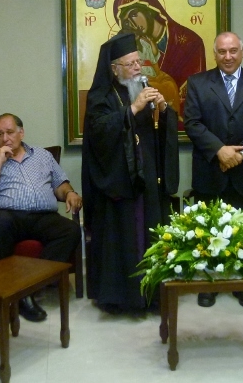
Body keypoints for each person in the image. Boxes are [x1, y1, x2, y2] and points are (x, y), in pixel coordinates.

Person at [82, 32, 179, 314]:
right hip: (119, 183)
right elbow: (99, 133)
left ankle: (152, 295)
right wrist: (134, 109)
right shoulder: (100, 96)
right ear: (114, 69)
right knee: (123, 238)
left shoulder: (142, 87)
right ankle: (122, 298)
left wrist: (163, 110)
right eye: (131, 63)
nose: (138, 67)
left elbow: (157, 133)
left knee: (150, 231)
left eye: (139, 62)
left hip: (146, 177)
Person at [183, 31, 243, 308]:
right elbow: (192, 123)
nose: (228, 56)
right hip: (210, 170)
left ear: (242, 52)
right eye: (222, 51)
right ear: (214, 54)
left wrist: (240, 153)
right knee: (207, 230)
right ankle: (209, 283)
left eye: (233, 50)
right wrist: (219, 151)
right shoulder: (198, 83)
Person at [0, 114, 82, 322]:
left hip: (43, 216)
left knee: (71, 230)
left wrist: (69, 193)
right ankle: (3, 299)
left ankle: (26, 290)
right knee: (0, 223)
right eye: (0, 134)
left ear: (21, 133)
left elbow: (60, 184)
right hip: (8, 216)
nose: (5, 138)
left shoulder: (43, 156)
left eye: (9, 132)